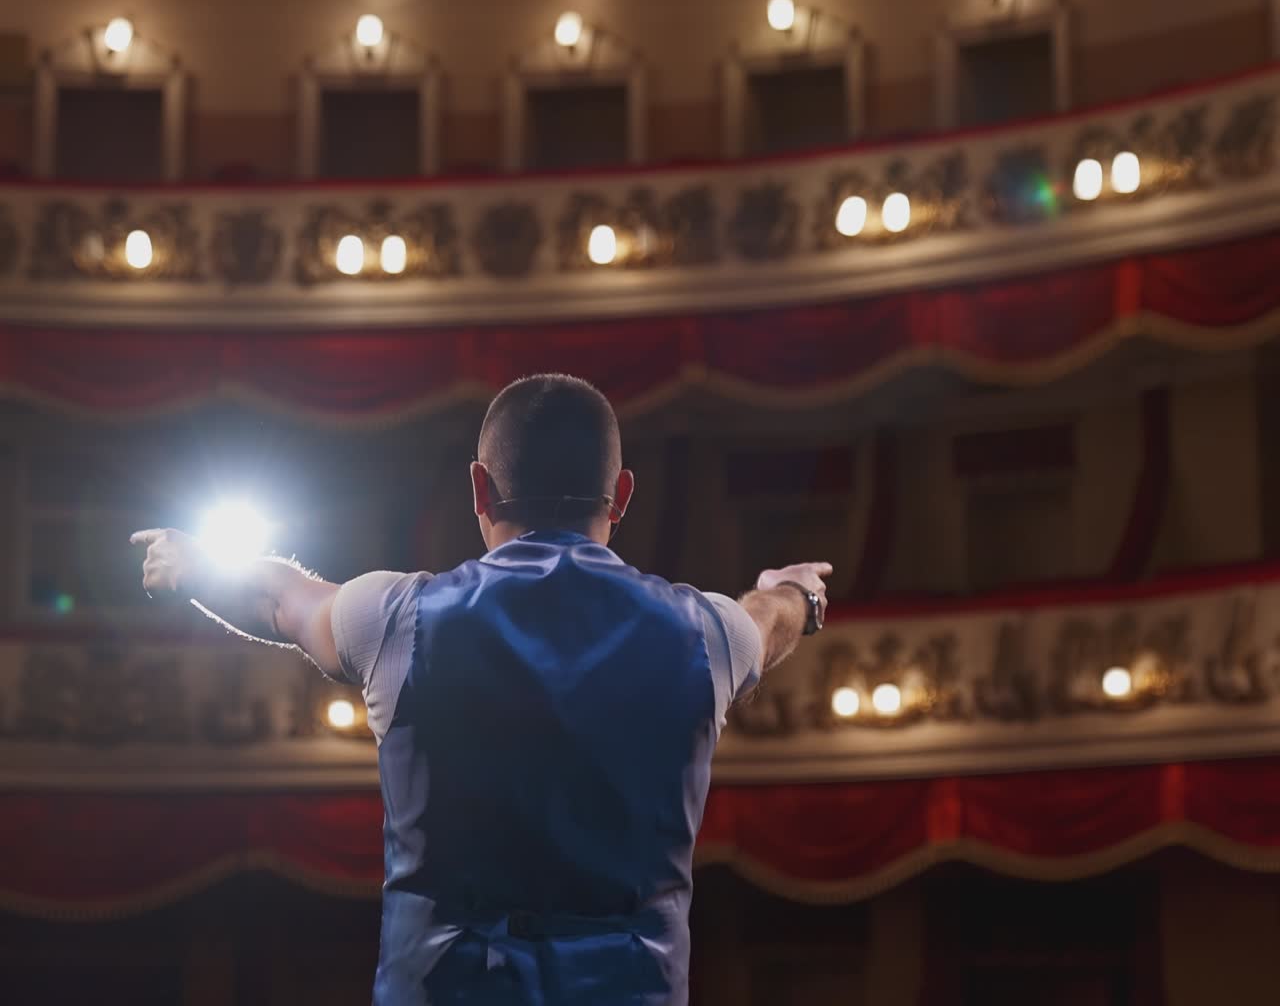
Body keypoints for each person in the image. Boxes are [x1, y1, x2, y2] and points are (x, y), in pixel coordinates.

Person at [132, 373, 829, 1005]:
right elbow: (770, 621)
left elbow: (279, 599)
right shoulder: (707, 634)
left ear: (479, 489)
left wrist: (194, 565)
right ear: (621, 496)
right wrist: (798, 592)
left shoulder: (398, 620)